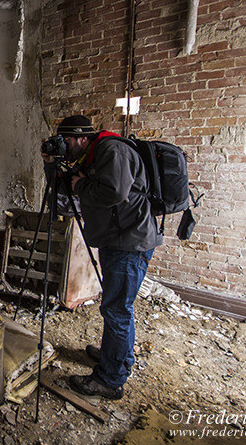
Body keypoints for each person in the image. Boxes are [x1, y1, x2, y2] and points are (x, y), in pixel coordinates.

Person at [42, 115, 162, 400]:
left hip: (129, 243)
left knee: (117, 310)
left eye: (67, 141)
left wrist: (80, 185)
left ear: (83, 137)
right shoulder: (91, 155)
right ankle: (117, 358)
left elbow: (114, 191)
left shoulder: (111, 150)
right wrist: (51, 163)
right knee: (118, 308)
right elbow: (62, 187)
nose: (65, 146)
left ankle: (110, 379)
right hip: (119, 240)